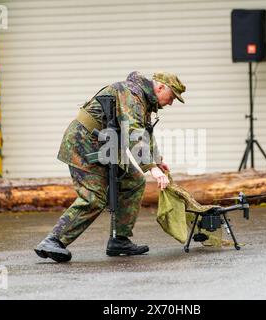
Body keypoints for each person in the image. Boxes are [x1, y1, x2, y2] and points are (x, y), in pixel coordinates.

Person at [34, 71, 186, 262]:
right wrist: (151, 168)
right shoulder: (132, 93)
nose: (171, 103)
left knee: (134, 181)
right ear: (161, 87)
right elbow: (134, 132)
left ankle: (119, 239)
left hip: (107, 144)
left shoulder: (144, 100)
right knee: (94, 198)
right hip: (84, 142)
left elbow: (144, 131)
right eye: (172, 97)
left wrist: (156, 160)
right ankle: (54, 240)